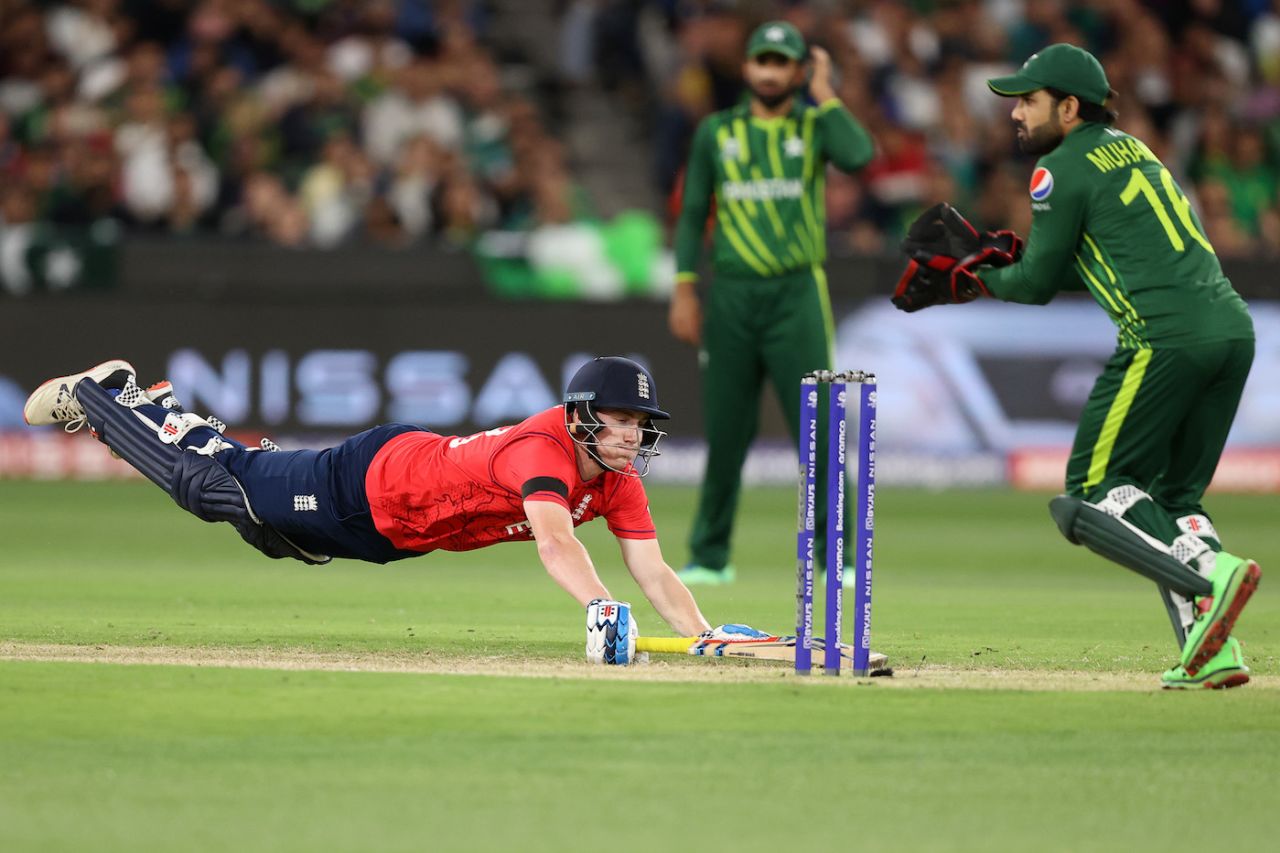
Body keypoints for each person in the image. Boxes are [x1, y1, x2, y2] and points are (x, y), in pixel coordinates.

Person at [893, 44, 1260, 689]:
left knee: (1090, 492)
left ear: (1068, 107)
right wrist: (1003, 264)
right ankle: (1212, 650)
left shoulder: (1058, 168)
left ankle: (1213, 572)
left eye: (1029, 102)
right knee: (1172, 498)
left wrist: (977, 276)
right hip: (1231, 330)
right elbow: (1081, 263)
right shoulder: (1133, 150)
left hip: (1163, 339)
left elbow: (1036, 284)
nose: (1015, 114)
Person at [22, 355, 755, 665]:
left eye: (641, 424)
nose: (633, 435)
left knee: (271, 535)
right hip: (367, 482)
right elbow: (556, 542)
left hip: (392, 535)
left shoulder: (619, 479)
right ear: (583, 415)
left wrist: (703, 634)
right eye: (621, 420)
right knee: (216, 490)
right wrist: (600, 607)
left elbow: (652, 568)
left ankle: (165, 416)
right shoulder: (544, 450)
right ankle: (107, 397)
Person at [669, 21, 875, 584]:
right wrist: (684, 286)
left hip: (796, 294)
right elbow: (692, 213)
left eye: (782, 62)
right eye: (762, 60)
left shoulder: (813, 124)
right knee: (725, 433)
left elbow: (859, 155)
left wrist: (826, 93)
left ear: (798, 71)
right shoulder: (717, 131)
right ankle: (710, 557)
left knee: (820, 427)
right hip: (731, 295)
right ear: (746, 67)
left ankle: (838, 557)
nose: (769, 71)